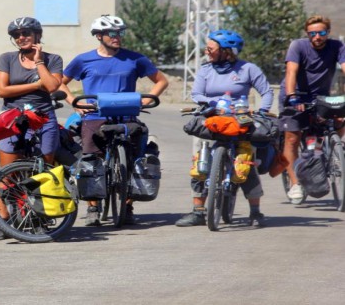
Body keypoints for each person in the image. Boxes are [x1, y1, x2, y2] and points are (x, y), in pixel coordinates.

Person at [58, 15, 168, 226]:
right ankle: (92, 207)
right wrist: (74, 102)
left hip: (127, 116)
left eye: (120, 33)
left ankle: (127, 206)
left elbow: (161, 81)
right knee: (91, 161)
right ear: (99, 36)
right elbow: (60, 83)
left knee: (135, 157)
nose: (117, 37)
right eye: (112, 33)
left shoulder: (135, 59)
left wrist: (145, 100)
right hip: (94, 116)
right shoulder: (84, 60)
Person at [175, 29, 274, 227]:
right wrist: (215, 103)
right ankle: (198, 211)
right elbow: (197, 94)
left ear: (227, 51)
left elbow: (267, 92)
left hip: (241, 119)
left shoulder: (248, 69)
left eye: (211, 48)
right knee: (199, 163)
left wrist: (262, 111)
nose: (207, 51)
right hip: (212, 117)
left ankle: (255, 212)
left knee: (245, 164)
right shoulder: (205, 69)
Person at [0, 17, 63, 240]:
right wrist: (35, 84)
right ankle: (3, 221)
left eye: (26, 33)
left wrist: (40, 63)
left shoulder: (53, 59)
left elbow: (51, 86)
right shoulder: (7, 59)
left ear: (38, 36)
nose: (21, 38)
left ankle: (40, 218)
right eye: (16, 35)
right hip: (13, 119)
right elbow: (2, 91)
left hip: (43, 117)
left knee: (43, 172)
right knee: (5, 174)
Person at [279, 15, 345, 204]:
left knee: (338, 121)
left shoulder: (337, 46)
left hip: (320, 97)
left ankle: (331, 152)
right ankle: (295, 184)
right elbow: (291, 71)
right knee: (292, 138)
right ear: (307, 33)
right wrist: (292, 97)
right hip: (295, 95)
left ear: (328, 32)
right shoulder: (298, 46)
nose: (317, 37)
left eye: (321, 33)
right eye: (312, 33)